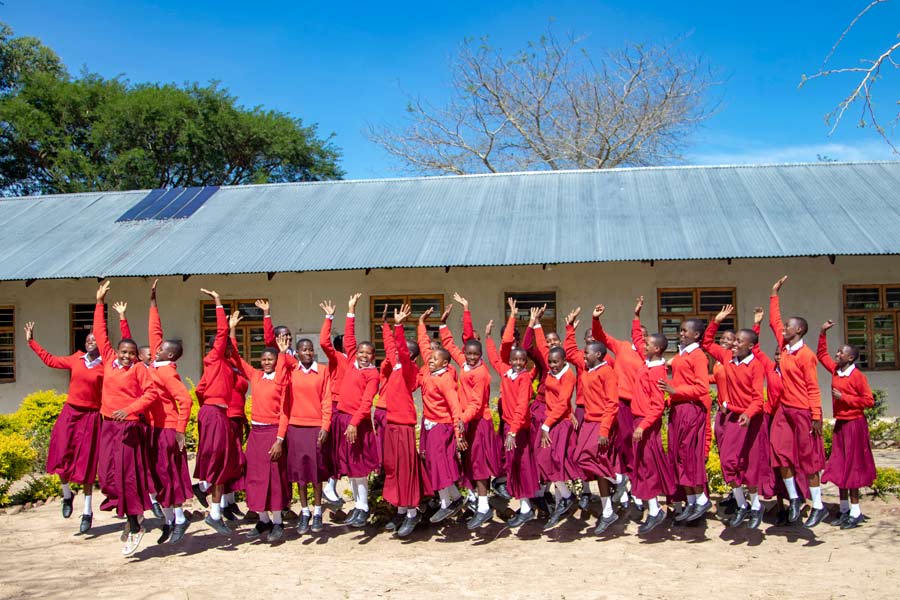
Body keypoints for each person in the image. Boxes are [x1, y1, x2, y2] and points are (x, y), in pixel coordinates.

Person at [24, 317, 118, 534]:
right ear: (84, 343)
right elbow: (50, 360)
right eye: (88, 340)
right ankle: (67, 495)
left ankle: (87, 512)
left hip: (92, 416)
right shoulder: (76, 360)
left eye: (95, 339)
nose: (91, 342)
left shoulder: (107, 366)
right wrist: (32, 342)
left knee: (86, 464)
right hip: (71, 413)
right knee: (61, 455)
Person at [92, 281, 160, 555]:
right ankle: (131, 518)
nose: (128, 356)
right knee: (107, 477)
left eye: (132, 353)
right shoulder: (108, 360)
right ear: (117, 352)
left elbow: (151, 394)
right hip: (107, 426)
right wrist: (99, 302)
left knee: (126, 478)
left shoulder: (139, 370)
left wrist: (131, 410)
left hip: (129, 429)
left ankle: (135, 525)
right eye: (125, 352)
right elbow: (100, 334)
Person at [768, 276, 827, 527]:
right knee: (779, 453)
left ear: (799, 330)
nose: (784, 329)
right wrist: (774, 294)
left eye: (789, 327)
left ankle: (819, 505)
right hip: (784, 409)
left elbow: (814, 388)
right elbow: (774, 321)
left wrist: (815, 417)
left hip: (803, 411)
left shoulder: (806, 356)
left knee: (808, 460)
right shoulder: (784, 348)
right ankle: (794, 497)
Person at [702, 305, 767, 529]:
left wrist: (748, 414)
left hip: (749, 421)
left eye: (739, 341)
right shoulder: (727, 357)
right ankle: (741, 504)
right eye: (734, 340)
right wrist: (716, 320)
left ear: (750, 346)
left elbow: (758, 399)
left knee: (749, 465)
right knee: (729, 462)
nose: (734, 343)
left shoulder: (755, 366)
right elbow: (707, 343)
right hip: (731, 419)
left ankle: (756, 506)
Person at [439, 295, 501, 529]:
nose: (472, 357)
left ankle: (484, 506)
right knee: (469, 462)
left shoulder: (482, 374)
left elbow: (476, 404)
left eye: (476, 354)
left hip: (478, 422)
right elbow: (453, 345)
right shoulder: (464, 363)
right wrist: (445, 323)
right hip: (467, 422)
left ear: (481, 355)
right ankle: (476, 501)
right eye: (469, 354)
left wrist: (462, 420)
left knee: (479, 463)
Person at [320, 294, 380, 528]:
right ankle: (358, 505)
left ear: (373, 356)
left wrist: (354, 423)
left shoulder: (372, 374)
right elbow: (351, 336)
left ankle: (363, 507)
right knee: (352, 467)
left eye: (368, 354)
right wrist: (351, 309)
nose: (363, 356)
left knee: (360, 467)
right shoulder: (352, 359)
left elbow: (367, 404)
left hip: (358, 423)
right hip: (345, 420)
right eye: (361, 352)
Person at [233, 320, 292, 542]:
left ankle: (277, 522)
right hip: (256, 435)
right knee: (255, 477)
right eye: (264, 359)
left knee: (275, 477)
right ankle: (263, 519)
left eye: (271, 360)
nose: (267, 362)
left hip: (272, 433)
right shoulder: (256, 376)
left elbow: (285, 412)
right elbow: (237, 358)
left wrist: (279, 440)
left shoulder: (281, 379)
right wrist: (231, 330)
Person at [144, 280, 194, 544]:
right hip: (153, 428)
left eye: (162, 347)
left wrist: (180, 431)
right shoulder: (157, 360)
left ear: (170, 355)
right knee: (156, 475)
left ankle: (179, 519)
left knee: (167, 473)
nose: (157, 345)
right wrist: (153, 301)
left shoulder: (166, 371)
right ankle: (168, 520)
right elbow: (155, 331)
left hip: (166, 429)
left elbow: (185, 400)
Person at [564, 308, 622, 535]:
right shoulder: (586, 367)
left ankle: (617, 480)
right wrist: (569, 328)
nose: (583, 354)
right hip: (588, 421)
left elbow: (612, 404)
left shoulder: (607, 372)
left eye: (587, 352)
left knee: (592, 459)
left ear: (598, 354)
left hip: (601, 424)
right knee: (584, 460)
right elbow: (569, 351)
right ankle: (610, 503)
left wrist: (605, 430)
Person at [818, 320, 877, 529]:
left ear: (850, 357)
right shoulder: (836, 371)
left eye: (841, 353)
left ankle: (856, 511)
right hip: (841, 424)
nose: (837, 355)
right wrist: (822, 333)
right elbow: (821, 356)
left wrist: (845, 398)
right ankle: (843, 509)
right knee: (839, 464)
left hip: (855, 425)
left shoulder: (857, 376)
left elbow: (869, 400)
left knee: (853, 467)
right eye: (837, 352)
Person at [192, 289, 242, 536]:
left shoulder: (224, 366)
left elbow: (200, 389)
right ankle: (203, 487)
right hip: (214, 412)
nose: (229, 348)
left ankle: (212, 506)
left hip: (217, 412)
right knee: (216, 458)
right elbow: (222, 334)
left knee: (225, 460)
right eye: (225, 346)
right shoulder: (213, 358)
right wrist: (218, 302)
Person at [486, 312, 540, 528]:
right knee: (514, 466)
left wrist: (513, 431)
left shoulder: (525, 379)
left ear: (526, 362)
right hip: (510, 428)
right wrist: (488, 338)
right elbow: (494, 358)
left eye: (522, 360)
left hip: (518, 430)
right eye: (515, 359)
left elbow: (521, 407)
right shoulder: (506, 372)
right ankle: (524, 506)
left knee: (522, 466)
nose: (518, 363)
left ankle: (526, 508)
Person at [657, 310, 712, 523]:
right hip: (678, 409)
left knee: (689, 454)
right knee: (678, 455)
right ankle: (690, 501)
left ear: (696, 335)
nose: (680, 334)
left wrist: (674, 391)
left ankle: (700, 498)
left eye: (684, 331)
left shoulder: (698, 356)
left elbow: (701, 388)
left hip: (690, 409)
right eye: (680, 331)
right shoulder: (681, 355)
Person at [380, 304, 430, 538]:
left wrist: (399, 326)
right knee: (394, 469)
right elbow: (391, 347)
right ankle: (401, 510)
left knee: (407, 471)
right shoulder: (397, 365)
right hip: (391, 424)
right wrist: (385, 325)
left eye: (403, 353)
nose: (397, 354)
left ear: (410, 356)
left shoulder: (411, 371)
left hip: (404, 426)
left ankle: (412, 513)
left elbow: (397, 347)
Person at [591, 304, 643, 512]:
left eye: (645, 337)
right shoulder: (623, 347)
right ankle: (621, 482)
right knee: (620, 446)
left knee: (636, 449)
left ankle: (638, 492)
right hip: (620, 403)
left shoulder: (647, 357)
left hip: (639, 407)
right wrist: (595, 319)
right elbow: (600, 336)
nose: (641, 339)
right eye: (639, 334)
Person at [278, 335, 332, 535]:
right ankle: (304, 511)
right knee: (300, 475)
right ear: (297, 353)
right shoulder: (291, 371)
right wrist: (282, 352)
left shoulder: (323, 371)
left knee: (316, 473)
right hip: (296, 428)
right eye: (303, 350)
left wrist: (325, 427)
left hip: (316, 428)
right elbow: (279, 376)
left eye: (310, 349)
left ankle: (318, 511)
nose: (307, 353)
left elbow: (327, 401)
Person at [631, 297, 676, 535]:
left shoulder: (658, 371)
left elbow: (658, 406)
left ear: (657, 349)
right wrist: (636, 315)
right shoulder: (647, 363)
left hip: (647, 426)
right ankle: (654, 508)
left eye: (648, 344)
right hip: (639, 421)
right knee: (642, 466)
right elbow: (637, 339)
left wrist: (643, 426)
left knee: (649, 467)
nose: (643, 345)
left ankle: (655, 509)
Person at [530, 308, 578, 530]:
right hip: (549, 421)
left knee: (555, 460)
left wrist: (548, 425)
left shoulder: (569, 375)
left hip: (559, 422)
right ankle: (565, 497)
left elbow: (562, 402)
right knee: (543, 459)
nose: (552, 365)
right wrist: (537, 323)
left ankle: (564, 500)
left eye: (556, 362)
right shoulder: (549, 370)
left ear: (563, 359)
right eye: (550, 362)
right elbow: (541, 347)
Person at [417, 308, 466, 524]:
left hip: (442, 425)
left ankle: (447, 503)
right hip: (429, 424)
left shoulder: (446, 379)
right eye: (431, 358)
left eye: (436, 358)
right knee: (433, 463)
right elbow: (424, 345)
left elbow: (455, 408)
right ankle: (454, 498)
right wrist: (421, 322)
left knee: (440, 465)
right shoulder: (429, 371)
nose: (431, 359)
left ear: (445, 363)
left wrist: (458, 433)